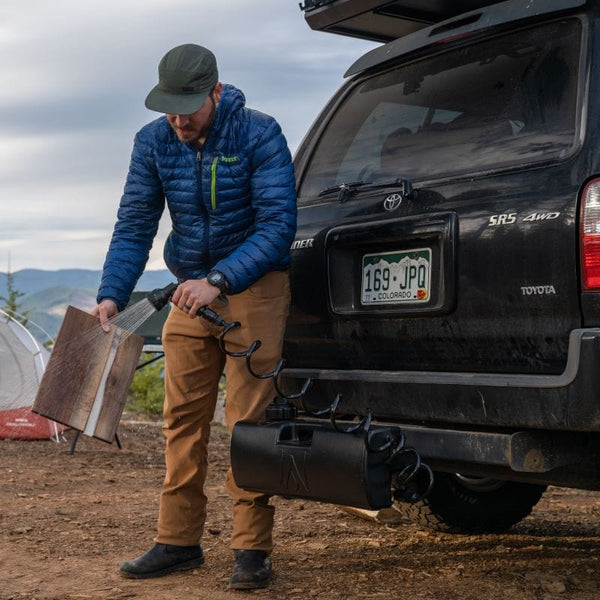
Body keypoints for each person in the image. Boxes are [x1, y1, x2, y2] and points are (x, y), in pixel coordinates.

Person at [92, 43, 297, 590]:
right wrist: (112, 294)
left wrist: (220, 280)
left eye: (189, 106)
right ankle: (178, 540)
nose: (179, 119)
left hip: (252, 286)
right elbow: (134, 225)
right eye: (169, 108)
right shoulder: (154, 142)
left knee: (248, 422)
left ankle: (251, 548)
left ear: (216, 91)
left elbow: (278, 225)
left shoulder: (259, 133)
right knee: (181, 419)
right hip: (189, 292)